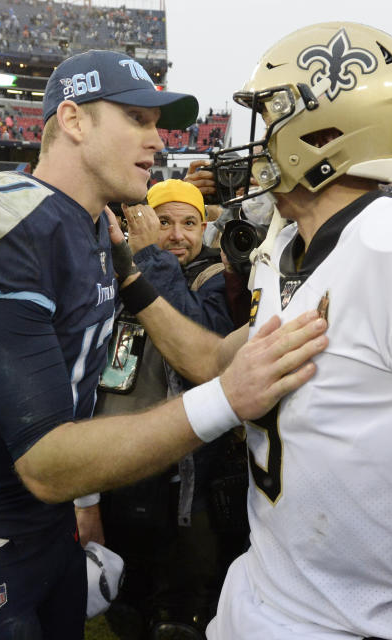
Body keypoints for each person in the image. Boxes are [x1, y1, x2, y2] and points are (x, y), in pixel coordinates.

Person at [122, 22, 392, 640]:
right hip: (261, 592)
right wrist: (134, 278)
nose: (259, 139)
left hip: (368, 625)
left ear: (325, 130)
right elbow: (214, 363)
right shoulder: (289, 248)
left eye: (272, 116)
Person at [0, 49, 326, 640]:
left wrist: (305, 316)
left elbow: (202, 358)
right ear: (73, 121)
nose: (157, 139)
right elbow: (46, 462)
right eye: (137, 120)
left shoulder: (94, 223)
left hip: (47, 523)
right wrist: (228, 398)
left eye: (156, 123)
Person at [96, 179, 246, 639]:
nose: (177, 235)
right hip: (118, 465)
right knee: (126, 591)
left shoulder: (215, 278)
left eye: (190, 223)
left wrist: (148, 260)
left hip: (189, 477)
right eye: (163, 222)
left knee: (183, 599)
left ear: (205, 229)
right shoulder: (109, 273)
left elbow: (201, 352)